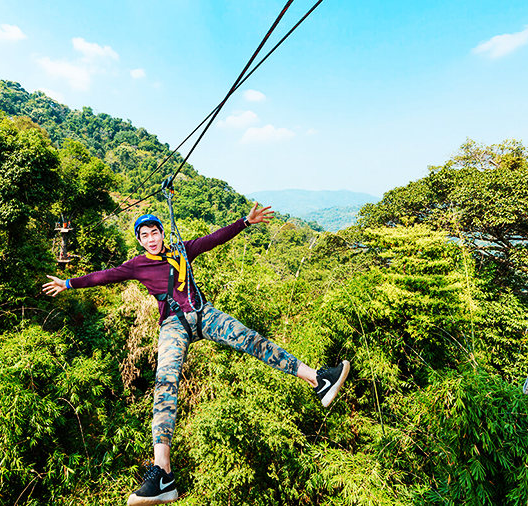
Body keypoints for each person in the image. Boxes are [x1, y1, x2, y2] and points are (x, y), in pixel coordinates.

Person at [42, 203, 350, 506]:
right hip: (173, 324)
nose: (151, 238)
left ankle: (318, 380)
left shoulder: (182, 250)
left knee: (252, 340)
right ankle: (162, 472)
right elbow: (106, 276)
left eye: (154, 232)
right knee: (165, 382)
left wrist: (245, 221)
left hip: (203, 313)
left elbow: (213, 239)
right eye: (145, 235)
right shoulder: (138, 264)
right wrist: (69, 283)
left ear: (162, 233)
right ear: (139, 240)